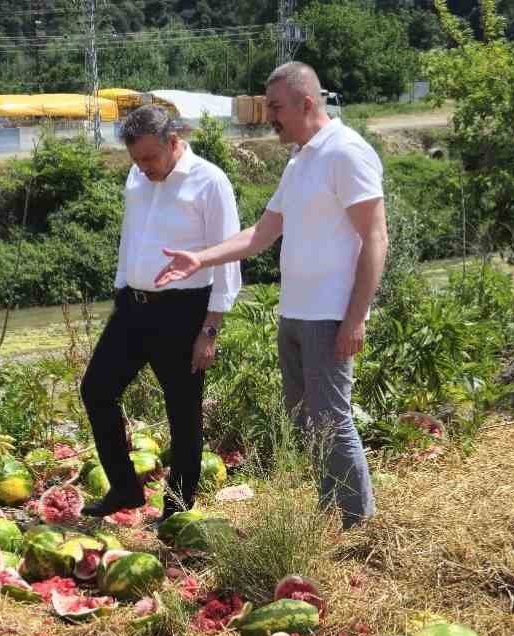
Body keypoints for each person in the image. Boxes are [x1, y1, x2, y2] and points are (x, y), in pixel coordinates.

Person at [154, 62, 387, 529]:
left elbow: (375, 238)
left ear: (306, 103)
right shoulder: (302, 160)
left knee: (332, 422)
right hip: (296, 312)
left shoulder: (346, 153)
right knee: (307, 423)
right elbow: (262, 234)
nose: (269, 118)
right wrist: (201, 258)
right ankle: (332, 514)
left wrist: (355, 318)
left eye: (276, 108)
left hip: (329, 314)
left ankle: (360, 526)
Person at [79, 105, 243, 521]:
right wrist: (121, 283)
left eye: (150, 158)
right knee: (97, 389)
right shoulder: (138, 175)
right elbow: (131, 234)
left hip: (183, 312)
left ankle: (178, 507)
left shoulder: (210, 181)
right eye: (136, 159)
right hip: (133, 306)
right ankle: (124, 488)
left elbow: (227, 261)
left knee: (183, 411)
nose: (143, 167)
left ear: (174, 143)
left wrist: (210, 330)